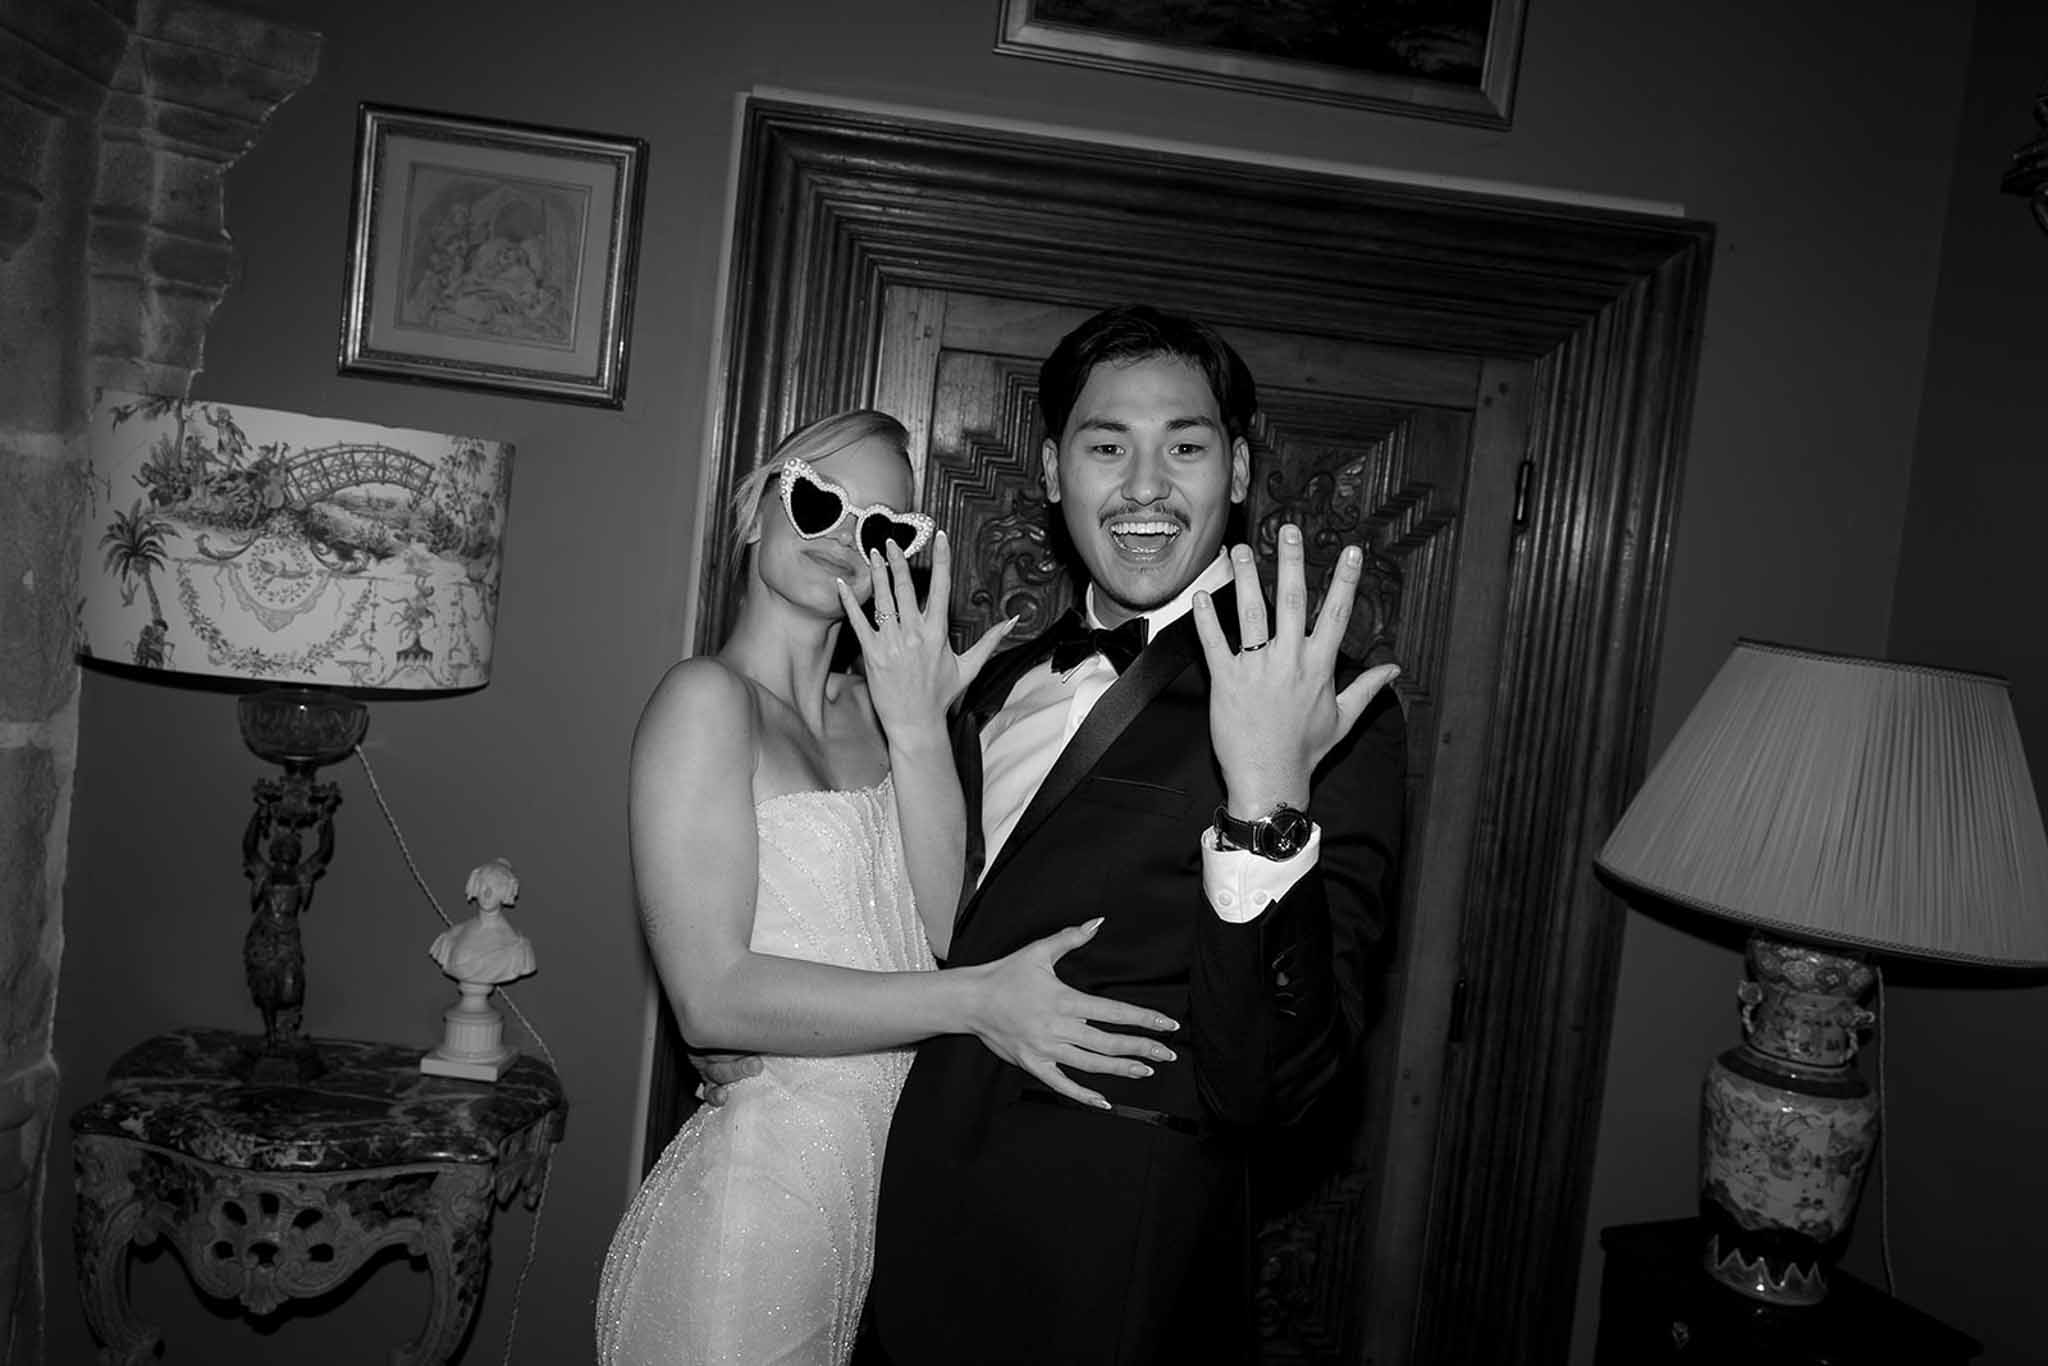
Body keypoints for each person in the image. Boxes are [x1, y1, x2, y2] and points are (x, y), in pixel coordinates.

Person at [857, 304, 1408, 1364]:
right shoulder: (999, 679)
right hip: (912, 1225)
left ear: (1239, 471)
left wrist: (1262, 800)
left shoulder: (1323, 708)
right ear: (1055, 474)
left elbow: (1280, 1088)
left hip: (1110, 1270)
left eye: (1185, 446)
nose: (1145, 487)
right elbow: (946, 938)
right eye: (1107, 445)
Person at [594, 409, 1182, 1366]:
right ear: (755, 513)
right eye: (819, 501)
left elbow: (951, 929)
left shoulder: (880, 712)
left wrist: (917, 730)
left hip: (884, 1229)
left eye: (880, 528)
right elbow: (710, 1000)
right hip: (751, 1229)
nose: (841, 539)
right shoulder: (705, 700)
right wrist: (976, 1005)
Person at [429, 857, 534, 984]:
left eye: (496, 886)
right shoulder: (451, 936)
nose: (488, 893)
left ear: (506, 892)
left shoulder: (517, 948)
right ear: (475, 887)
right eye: (484, 884)